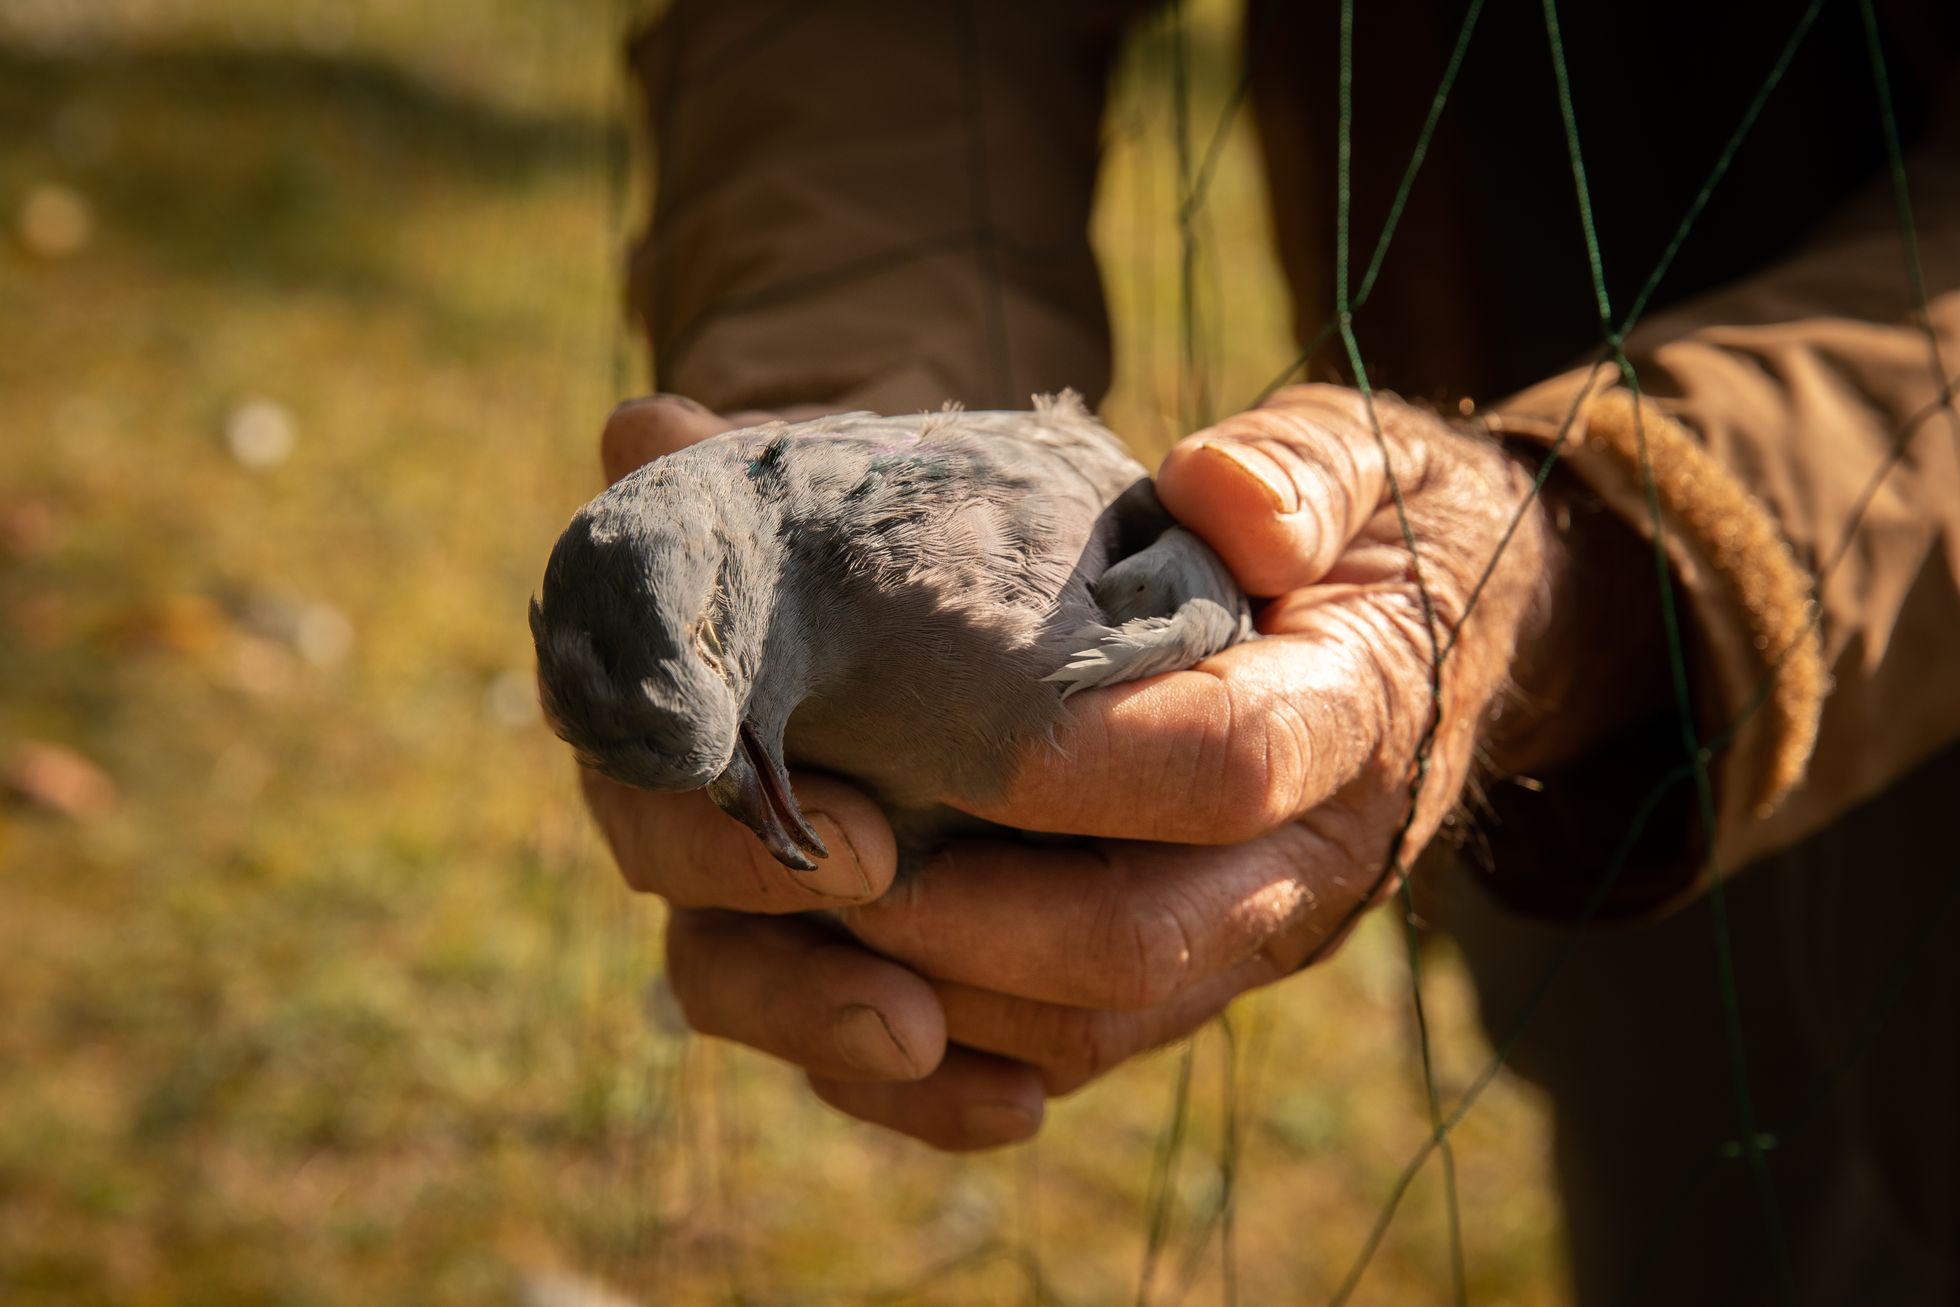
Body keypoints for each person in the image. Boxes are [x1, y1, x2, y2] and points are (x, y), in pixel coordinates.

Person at [567, 1, 1960, 1300]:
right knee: (1673, 1133)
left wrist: (1605, 555)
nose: (762, 796)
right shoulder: (762, 644)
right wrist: (849, 389)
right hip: (1561, 728)